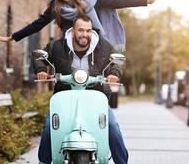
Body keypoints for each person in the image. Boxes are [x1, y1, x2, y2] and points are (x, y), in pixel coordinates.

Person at [34, 14, 128, 164]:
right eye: (81, 30)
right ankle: (43, 162)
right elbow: (40, 57)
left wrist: (114, 73)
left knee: (112, 127)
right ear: (73, 31)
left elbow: (118, 59)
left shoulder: (103, 46)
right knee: (48, 129)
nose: (85, 34)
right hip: (64, 98)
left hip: (96, 97)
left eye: (88, 31)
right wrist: (41, 70)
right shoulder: (57, 46)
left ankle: (122, 162)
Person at [0, 0, 160, 51]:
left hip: (95, 45)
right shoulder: (55, 6)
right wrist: (13, 37)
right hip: (71, 49)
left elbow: (116, 2)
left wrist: (146, 1)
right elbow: (38, 24)